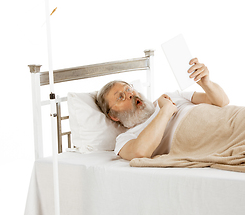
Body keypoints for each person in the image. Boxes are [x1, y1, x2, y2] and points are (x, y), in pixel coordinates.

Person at [96, 58, 229, 161]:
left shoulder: (171, 95)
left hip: (229, 120)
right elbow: (140, 152)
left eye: (128, 89)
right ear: (113, 116)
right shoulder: (125, 139)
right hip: (218, 140)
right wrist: (165, 111)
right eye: (120, 97)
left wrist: (206, 83)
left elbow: (222, 101)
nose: (130, 94)